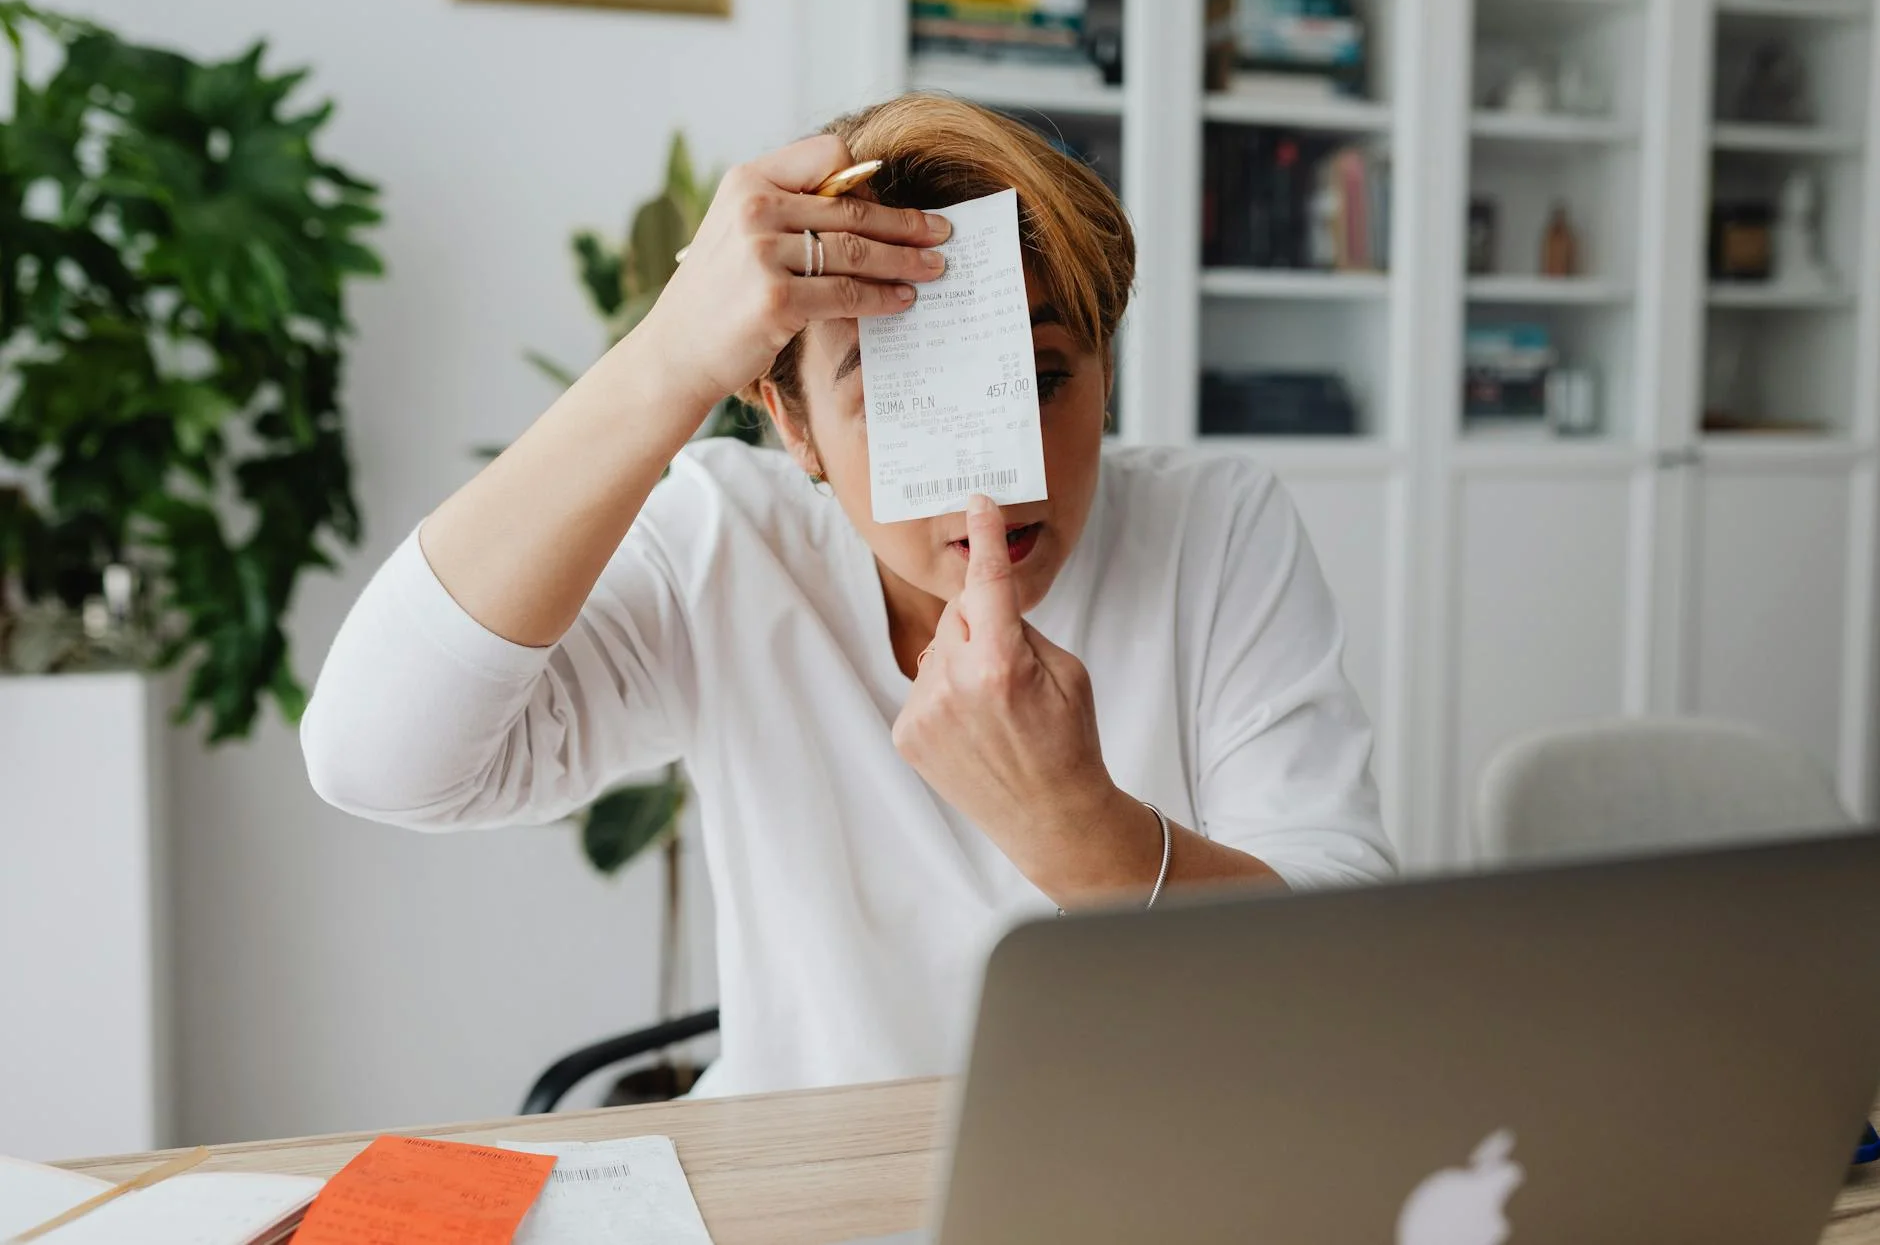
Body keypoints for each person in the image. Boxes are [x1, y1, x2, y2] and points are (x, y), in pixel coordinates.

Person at [301, 94, 1396, 1097]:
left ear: (1106, 370)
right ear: (792, 427)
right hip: (803, 1180)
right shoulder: (726, 541)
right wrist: (668, 358)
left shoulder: (1215, 525)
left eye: (1048, 377)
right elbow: (378, 759)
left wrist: (1077, 825)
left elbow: (1341, 979)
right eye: (904, 398)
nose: (997, 473)